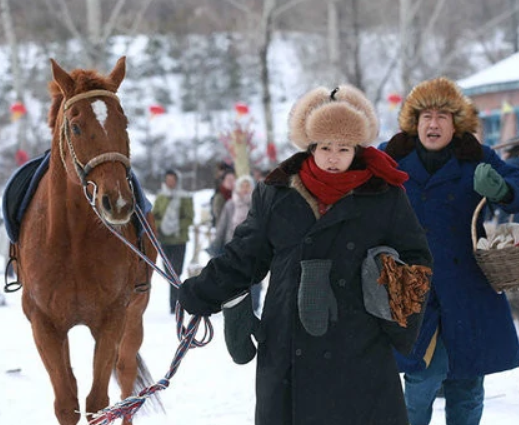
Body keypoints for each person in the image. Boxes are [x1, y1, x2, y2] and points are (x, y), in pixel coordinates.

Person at [178, 84, 433, 425]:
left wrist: (389, 293)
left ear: (357, 148)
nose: (333, 157)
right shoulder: (277, 191)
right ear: (310, 145)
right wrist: (200, 292)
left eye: (343, 148)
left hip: (359, 342)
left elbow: (417, 258)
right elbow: (245, 255)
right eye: (325, 147)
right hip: (287, 341)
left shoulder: (384, 195)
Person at [379, 77, 519, 425]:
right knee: (422, 380)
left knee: (467, 386)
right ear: (414, 122)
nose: (433, 124)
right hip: (413, 289)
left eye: (442, 116)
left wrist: (502, 189)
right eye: (425, 116)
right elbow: (350, 177)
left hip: (467, 287)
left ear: (456, 123)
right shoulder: (392, 156)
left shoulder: (476, 157)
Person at [207, 174, 263, 310]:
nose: (245, 189)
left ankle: (254, 306)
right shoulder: (230, 205)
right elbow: (222, 226)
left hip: (254, 247)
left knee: (254, 278)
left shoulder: (258, 204)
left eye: (247, 186)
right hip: (233, 247)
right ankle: (235, 306)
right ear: (237, 188)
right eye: (242, 186)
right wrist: (216, 244)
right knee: (234, 278)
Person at [152, 169, 194, 313]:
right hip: (164, 239)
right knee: (168, 273)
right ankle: (175, 302)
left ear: (177, 181)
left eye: (173, 180)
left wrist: (176, 226)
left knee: (176, 271)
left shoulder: (185, 197)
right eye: (168, 179)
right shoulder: (160, 197)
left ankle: (176, 304)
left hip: (179, 239)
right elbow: (154, 215)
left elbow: (189, 218)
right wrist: (160, 227)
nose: (170, 182)